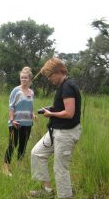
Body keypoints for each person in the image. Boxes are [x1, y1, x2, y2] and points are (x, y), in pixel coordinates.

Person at [30, 58, 81, 199]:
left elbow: (69, 113)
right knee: (37, 153)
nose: (49, 79)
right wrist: (51, 109)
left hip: (66, 133)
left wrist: (51, 113)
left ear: (59, 71)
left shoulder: (68, 86)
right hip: (56, 131)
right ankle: (47, 190)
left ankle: (65, 196)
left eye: (50, 75)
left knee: (60, 168)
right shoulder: (63, 86)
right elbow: (63, 108)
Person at [2, 67, 37, 177]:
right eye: (22, 78)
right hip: (15, 123)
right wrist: (12, 120)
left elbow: (30, 107)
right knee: (12, 145)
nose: (23, 79)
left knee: (23, 145)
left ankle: (19, 164)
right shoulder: (16, 90)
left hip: (28, 123)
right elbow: (11, 106)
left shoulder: (31, 92)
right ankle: (5, 167)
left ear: (30, 79)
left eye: (25, 78)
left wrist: (33, 115)